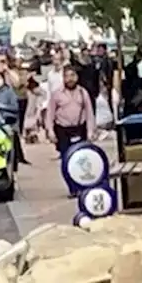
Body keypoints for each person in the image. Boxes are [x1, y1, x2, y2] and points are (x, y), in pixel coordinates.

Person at [45, 65, 96, 198]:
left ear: (77, 77)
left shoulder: (83, 92)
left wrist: (90, 131)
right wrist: (50, 131)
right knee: (67, 160)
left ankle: (81, 186)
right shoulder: (57, 94)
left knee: (81, 159)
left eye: (72, 76)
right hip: (63, 130)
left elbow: (90, 113)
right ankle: (72, 188)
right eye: (67, 76)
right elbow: (50, 114)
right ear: (63, 78)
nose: (70, 79)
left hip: (80, 129)